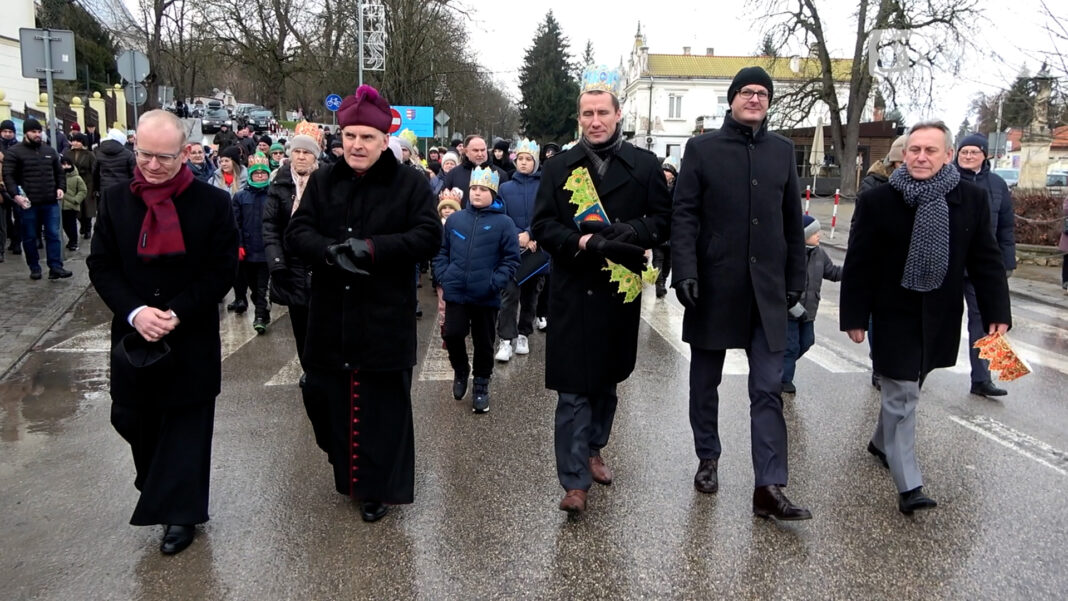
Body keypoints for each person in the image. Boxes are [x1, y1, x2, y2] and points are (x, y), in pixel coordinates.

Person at [285, 85, 440, 522]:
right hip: (332, 313)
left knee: (382, 409)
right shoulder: (322, 179)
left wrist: (373, 248)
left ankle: (377, 488)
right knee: (325, 397)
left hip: (384, 315)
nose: (357, 144)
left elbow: (429, 236)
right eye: (350, 136)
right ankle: (349, 473)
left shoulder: (409, 183)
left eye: (367, 137)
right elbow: (297, 234)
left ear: (383, 139)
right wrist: (328, 251)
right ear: (340, 137)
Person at [87, 109, 239, 554]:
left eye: (164, 158)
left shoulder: (212, 204)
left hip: (188, 335)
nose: (153, 165)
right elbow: (102, 265)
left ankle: (181, 514)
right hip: (134, 335)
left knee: (187, 427)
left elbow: (221, 269)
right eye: (145, 155)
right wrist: (135, 312)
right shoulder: (115, 201)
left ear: (186, 154)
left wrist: (175, 312)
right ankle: (157, 483)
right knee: (132, 418)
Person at [840, 120, 1011, 514]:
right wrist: (853, 315)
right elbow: (860, 263)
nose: (920, 157)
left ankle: (881, 442)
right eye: (914, 150)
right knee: (902, 393)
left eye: (930, 150)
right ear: (904, 154)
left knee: (912, 384)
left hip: (940, 314)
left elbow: (985, 259)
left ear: (947, 155)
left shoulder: (970, 199)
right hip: (892, 314)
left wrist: (997, 311)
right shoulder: (879, 201)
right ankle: (909, 485)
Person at [670, 66, 810, 520]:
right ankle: (707, 457)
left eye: (762, 93)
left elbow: (793, 223)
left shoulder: (782, 151)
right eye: (746, 92)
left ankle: (768, 486)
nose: (754, 98)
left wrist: (796, 279)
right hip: (713, 285)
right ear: (731, 100)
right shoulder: (702, 149)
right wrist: (685, 270)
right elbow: (685, 214)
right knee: (704, 381)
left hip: (766, 291)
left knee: (768, 388)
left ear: (769, 102)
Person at [532, 65, 671, 514]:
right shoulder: (557, 167)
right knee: (572, 388)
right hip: (573, 290)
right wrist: (580, 241)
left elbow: (663, 222)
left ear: (618, 114)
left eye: (602, 113)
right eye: (587, 113)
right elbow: (542, 226)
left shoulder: (646, 166)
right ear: (579, 119)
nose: (595, 121)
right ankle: (573, 482)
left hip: (618, 291)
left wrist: (628, 231)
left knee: (606, 383)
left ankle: (594, 447)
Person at [434, 167, 520, 412]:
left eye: (483, 189)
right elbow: (442, 251)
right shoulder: (455, 220)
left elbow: (511, 259)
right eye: (474, 189)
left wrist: (495, 281)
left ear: (493, 193)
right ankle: (461, 370)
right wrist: (444, 275)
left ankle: (481, 384)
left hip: (486, 296)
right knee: (452, 334)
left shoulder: (504, 223)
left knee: (484, 343)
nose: (477, 194)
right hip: (457, 292)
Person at [955, 133, 1017, 398]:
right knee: (933, 319)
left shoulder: (997, 184)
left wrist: (1007, 261)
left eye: (974, 152)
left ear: (985, 155)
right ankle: (911, 373)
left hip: (981, 266)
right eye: (964, 152)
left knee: (984, 323)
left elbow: (1006, 226)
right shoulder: (948, 180)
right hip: (951, 262)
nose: (968, 156)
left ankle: (982, 379)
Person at [263, 124, 320, 389]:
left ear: (314, 156)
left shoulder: (324, 182)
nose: (301, 157)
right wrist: (276, 263)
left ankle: (323, 369)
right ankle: (308, 368)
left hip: (319, 265)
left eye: (306, 153)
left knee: (322, 323)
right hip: (291, 265)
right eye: (296, 151)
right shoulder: (280, 184)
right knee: (300, 325)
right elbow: (270, 227)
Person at [2, 118, 72, 280]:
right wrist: (16, 195)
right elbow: (8, 176)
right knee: (30, 236)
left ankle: (56, 267)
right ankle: (34, 267)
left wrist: (61, 188)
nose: (37, 134)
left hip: (50, 201)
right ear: (26, 133)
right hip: (28, 203)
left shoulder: (49, 151)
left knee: (53, 235)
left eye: (39, 131)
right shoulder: (15, 152)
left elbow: (59, 172)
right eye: (33, 132)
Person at [495, 138, 544, 362]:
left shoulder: (544, 186)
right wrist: (518, 236)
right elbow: (500, 215)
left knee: (531, 295)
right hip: (511, 249)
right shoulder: (505, 187)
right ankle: (506, 339)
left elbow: (546, 214)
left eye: (528, 159)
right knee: (509, 294)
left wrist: (531, 234)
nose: (524, 163)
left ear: (535, 161)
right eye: (520, 159)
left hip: (536, 249)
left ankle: (524, 333)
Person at [781, 216, 841, 394]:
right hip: (790, 311)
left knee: (807, 342)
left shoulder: (819, 253)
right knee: (791, 346)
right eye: (814, 233)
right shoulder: (789, 254)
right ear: (803, 235)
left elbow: (832, 272)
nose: (819, 235)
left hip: (809, 311)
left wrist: (853, 270)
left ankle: (780, 365)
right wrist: (792, 305)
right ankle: (784, 381)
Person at [232, 153, 272, 334]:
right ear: (251, 175)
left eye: (264, 173)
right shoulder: (240, 197)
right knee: (254, 288)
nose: (261, 176)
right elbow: (235, 223)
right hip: (247, 250)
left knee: (263, 286)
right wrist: (239, 244)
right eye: (257, 174)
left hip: (265, 249)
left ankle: (260, 316)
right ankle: (261, 307)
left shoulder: (273, 195)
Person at [440, 135, 510, 206]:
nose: (480, 154)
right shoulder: (453, 174)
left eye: (483, 150)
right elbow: (442, 202)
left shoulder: (500, 174)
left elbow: (506, 204)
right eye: (476, 150)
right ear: (466, 152)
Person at [93, 129, 136, 211]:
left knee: (106, 215)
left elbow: (95, 173)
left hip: (105, 190)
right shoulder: (128, 154)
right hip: (123, 190)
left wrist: (97, 189)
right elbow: (133, 174)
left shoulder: (99, 153)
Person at [652, 161, 677, 298]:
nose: (666, 175)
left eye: (668, 173)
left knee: (668, 261)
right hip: (659, 230)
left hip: (673, 232)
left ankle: (663, 281)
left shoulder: (678, 190)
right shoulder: (655, 186)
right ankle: (659, 285)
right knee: (658, 259)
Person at [65, 134, 96, 240]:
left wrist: (95, 187)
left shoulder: (89, 154)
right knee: (76, 207)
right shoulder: (68, 153)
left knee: (87, 207)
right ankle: (82, 224)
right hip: (73, 184)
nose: (75, 143)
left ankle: (87, 228)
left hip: (87, 182)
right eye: (73, 141)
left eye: (78, 141)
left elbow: (94, 170)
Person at [60, 155, 87, 251]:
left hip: (71, 206)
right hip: (60, 205)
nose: (66, 166)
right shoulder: (59, 176)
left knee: (71, 224)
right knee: (64, 225)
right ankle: (71, 240)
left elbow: (83, 190)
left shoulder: (77, 178)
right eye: (63, 164)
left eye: (68, 164)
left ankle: (73, 242)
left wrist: (76, 200)